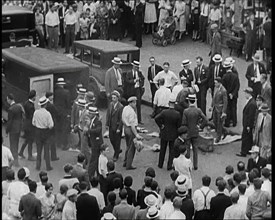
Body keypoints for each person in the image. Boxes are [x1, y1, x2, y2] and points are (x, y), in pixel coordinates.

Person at [182, 93, 208, 169]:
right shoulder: (198, 110)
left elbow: (183, 122)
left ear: (189, 101)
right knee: (195, 149)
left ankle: (188, 164)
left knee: (187, 148)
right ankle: (195, 165)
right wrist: (200, 126)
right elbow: (205, 119)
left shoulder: (186, 111)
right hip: (195, 131)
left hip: (188, 131)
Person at [155, 96, 181, 170]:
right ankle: (169, 165)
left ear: (169, 103)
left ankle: (160, 164)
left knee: (163, 149)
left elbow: (156, 118)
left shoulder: (164, 112)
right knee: (171, 150)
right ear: (174, 104)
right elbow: (179, 125)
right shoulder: (177, 114)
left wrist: (161, 126)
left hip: (164, 133)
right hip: (173, 134)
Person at [32, 96, 54, 171]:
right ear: (45, 104)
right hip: (45, 132)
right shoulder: (48, 114)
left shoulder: (36, 112)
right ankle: (48, 166)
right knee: (46, 150)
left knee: (39, 150)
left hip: (38, 132)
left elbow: (33, 123)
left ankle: (38, 166)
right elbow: (51, 125)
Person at [121, 96, 143, 170]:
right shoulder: (131, 112)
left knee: (128, 146)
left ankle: (125, 161)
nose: (136, 104)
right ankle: (129, 164)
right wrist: (137, 134)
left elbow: (123, 119)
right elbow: (132, 125)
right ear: (132, 103)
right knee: (132, 148)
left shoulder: (125, 108)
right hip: (131, 130)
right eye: (135, 102)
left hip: (126, 129)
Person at [236, 87, 257, 157]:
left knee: (245, 137)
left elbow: (251, 116)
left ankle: (243, 152)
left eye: (245, 93)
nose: (245, 95)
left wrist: (248, 125)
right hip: (247, 123)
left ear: (248, 94)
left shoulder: (252, 104)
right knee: (249, 137)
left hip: (247, 124)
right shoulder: (251, 101)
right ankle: (248, 149)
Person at [6, 93, 25, 167]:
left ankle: (15, 161)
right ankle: (15, 160)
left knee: (12, 145)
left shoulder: (10, 109)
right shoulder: (19, 106)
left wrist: (7, 131)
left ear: (9, 99)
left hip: (13, 130)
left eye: (7, 99)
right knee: (16, 145)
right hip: (18, 129)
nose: (7, 100)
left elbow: (9, 121)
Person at [106, 90, 124, 161]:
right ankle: (118, 149)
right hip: (111, 125)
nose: (113, 99)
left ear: (117, 98)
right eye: (112, 97)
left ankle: (116, 155)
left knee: (117, 141)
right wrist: (107, 124)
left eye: (114, 98)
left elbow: (121, 118)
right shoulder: (110, 105)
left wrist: (119, 128)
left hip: (117, 127)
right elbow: (108, 115)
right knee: (111, 139)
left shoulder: (120, 107)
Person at [54, 77, 71, 151]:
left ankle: (58, 143)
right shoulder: (66, 92)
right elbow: (68, 104)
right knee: (64, 128)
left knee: (58, 127)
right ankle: (65, 144)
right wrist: (69, 112)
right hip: (64, 112)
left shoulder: (55, 92)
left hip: (57, 111)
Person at [222, 61, 240, 127]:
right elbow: (237, 86)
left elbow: (223, 87)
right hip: (234, 95)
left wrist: (228, 94)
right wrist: (232, 94)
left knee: (228, 108)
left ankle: (227, 122)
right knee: (234, 108)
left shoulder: (224, 77)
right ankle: (234, 122)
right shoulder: (235, 76)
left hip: (227, 95)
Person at [87, 106, 104, 178]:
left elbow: (98, 131)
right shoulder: (92, 121)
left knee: (93, 159)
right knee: (96, 159)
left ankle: (90, 174)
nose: (89, 115)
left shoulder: (98, 122)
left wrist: (88, 130)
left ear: (93, 114)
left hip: (97, 143)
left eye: (90, 113)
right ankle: (98, 173)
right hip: (93, 142)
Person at [210, 77, 228, 143]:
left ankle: (218, 137)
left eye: (216, 83)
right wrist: (211, 106)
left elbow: (225, 102)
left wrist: (224, 112)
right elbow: (214, 97)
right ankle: (224, 131)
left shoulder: (223, 90)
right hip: (215, 108)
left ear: (219, 83)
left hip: (220, 109)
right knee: (214, 121)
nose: (214, 84)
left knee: (219, 123)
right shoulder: (216, 88)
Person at [45, 91, 59, 161]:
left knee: (46, 141)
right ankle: (53, 156)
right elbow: (56, 113)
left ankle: (45, 155)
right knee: (53, 141)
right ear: (49, 96)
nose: (53, 97)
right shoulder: (51, 105)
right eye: (52, 96)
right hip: (51, 125)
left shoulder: (45, 104)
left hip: (45, 125)